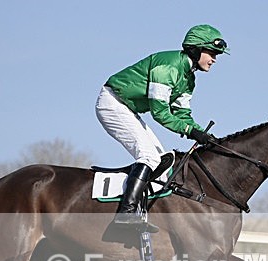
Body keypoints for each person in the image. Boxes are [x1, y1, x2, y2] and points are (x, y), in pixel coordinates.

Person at [95, 24, 229, 230]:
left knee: (163, 160)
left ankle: (139, 209)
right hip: (112, 103)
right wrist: (190, 131)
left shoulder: (189, 79)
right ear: (195, 49)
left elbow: (182, 115)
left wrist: (202, 134)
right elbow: (160, 114)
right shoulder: (168, 67)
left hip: (128, 109)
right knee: (149, 157)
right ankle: (126, 214)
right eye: (212, 53)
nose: (214, 59)